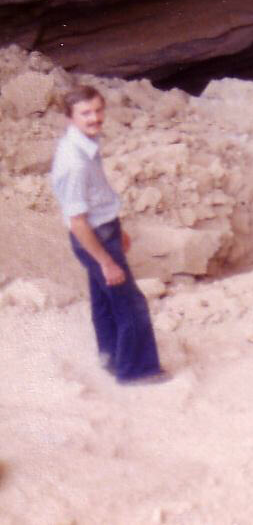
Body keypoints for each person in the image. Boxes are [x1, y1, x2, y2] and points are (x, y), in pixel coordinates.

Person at [49, 85, 168, 384]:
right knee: (131, 303)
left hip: (104, 229)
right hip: (94, 238)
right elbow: (77, 222)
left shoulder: (83, 144)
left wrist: (117, 228)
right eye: (85, 113)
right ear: (70, 118)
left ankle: (111, 356)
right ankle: (136, 372)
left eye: (98, 110)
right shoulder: (75, 162)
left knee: (104, 299)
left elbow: (97, 196)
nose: (95, 118)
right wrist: (106, 260)